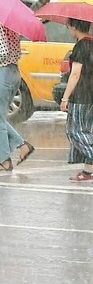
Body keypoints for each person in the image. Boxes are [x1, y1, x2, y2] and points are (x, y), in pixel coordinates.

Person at [0, 21, 36, 173]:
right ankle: (22, 145)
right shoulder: (13, 28)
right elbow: (14, 51)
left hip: (4, 73)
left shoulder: (1, 27)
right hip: (14, 73)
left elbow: (4, 51)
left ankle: (4, 160)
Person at [61, 17, 93, 182]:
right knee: (88, 131)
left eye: (69, 26)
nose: (69, 29)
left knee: (75, 131)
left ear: (74, 26)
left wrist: (65, 97)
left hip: (80, 95)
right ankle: (87, 171)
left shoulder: (81, 46)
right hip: (90, 94)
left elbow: (75, 74)